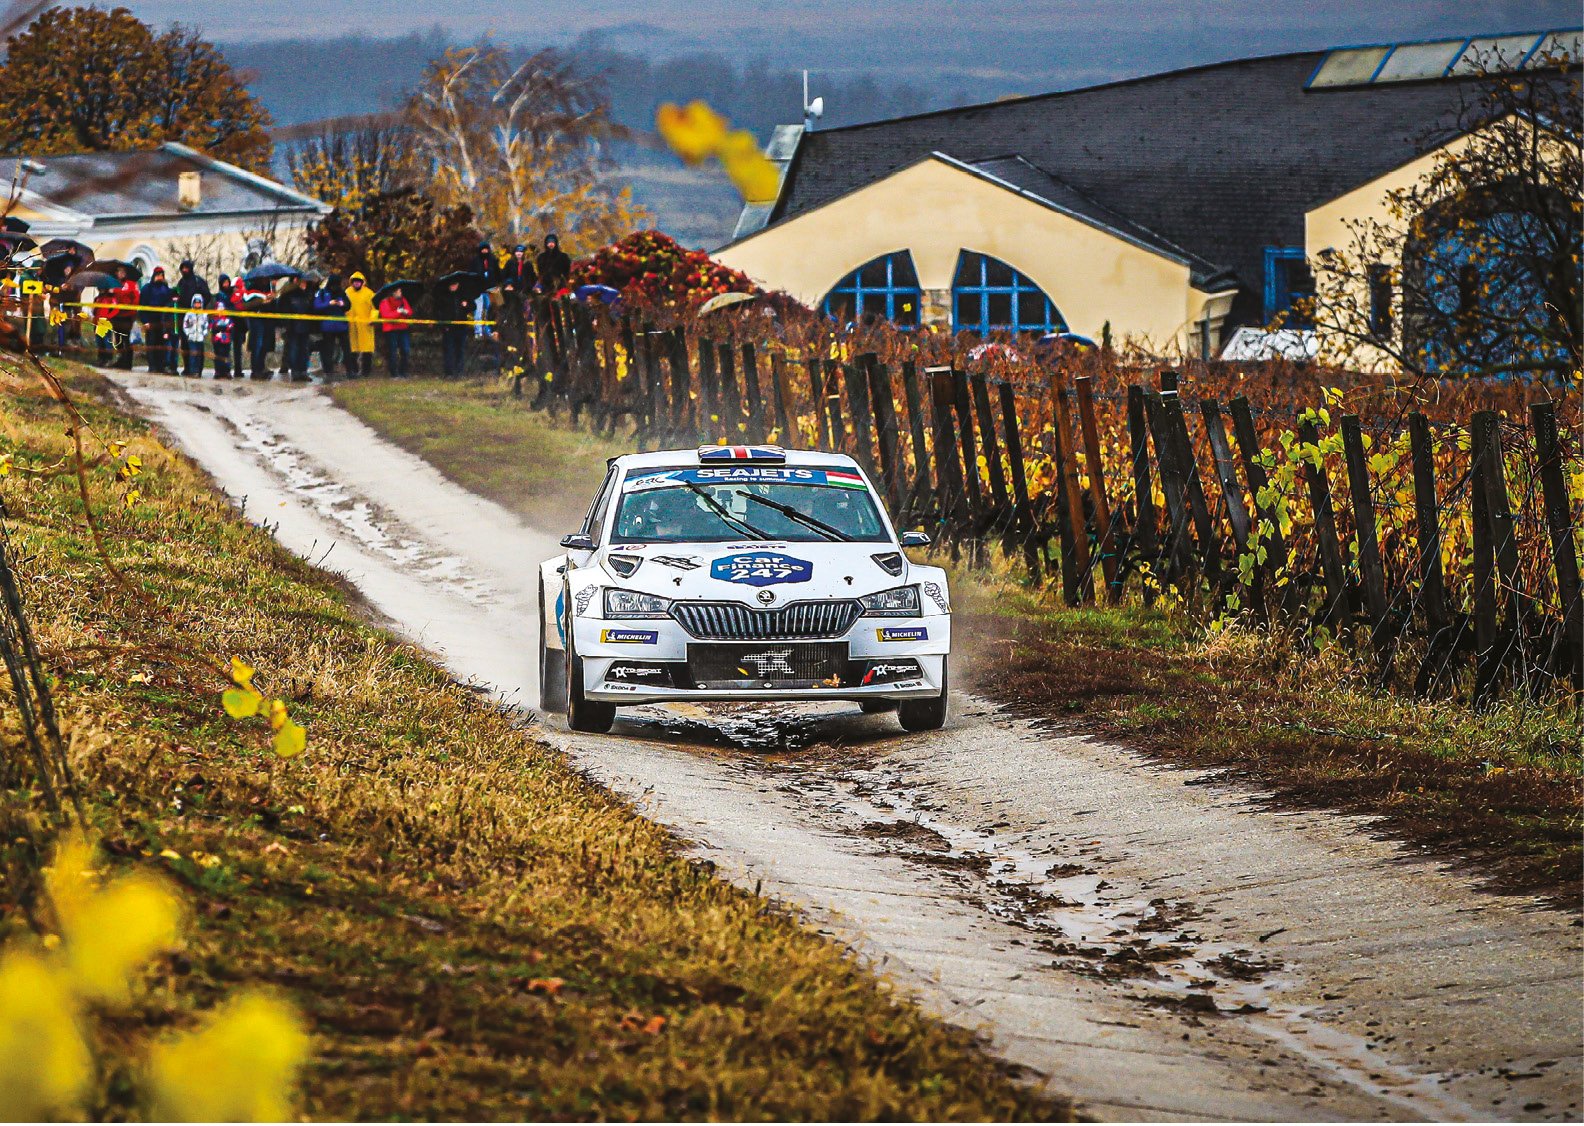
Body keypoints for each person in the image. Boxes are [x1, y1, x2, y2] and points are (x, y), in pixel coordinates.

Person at [174, 260, 211, 376]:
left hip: (198, 317)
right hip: (184, 317)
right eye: (182, 268)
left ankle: (197, 369)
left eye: (186, 268)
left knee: (198, 345)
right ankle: (187, 368)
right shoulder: (181, 283)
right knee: (185, 343)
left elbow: (207, 295)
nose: (184, 270)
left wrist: (199, 308)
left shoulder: (198, 282)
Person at [274, 277, 315, 381]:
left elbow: (310, 309)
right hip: (293, 327)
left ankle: (303, 371)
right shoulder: (287, 295)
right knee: (294, 349)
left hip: (305, 326)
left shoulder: (307, 294)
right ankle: (296, 371)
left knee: (304, 350)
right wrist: (286, 324)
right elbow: (283, 311)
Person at [313, 274, 352, 377]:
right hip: (327, 326)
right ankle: (328, 371)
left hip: (341, 325)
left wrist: (342, 304)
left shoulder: (342, 293)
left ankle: (350, 370)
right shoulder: (322, 293)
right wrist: (328, 304)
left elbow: (348, 305)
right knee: (328, 350)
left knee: (346, 349)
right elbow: (316, 306)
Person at [139, 266, 173, 372]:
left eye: (161, 276)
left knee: (161, 344)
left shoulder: (166, 289)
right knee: (151, 343)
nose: (160, 278)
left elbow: (169, 305)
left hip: (162, 321)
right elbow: (142, 306)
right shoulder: (147, 289)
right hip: (151, 320)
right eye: (158, 276)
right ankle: (152, 365)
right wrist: (145, 321)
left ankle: (160, 365)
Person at [345, 271, 377, 377]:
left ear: (362, 282)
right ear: (351, 282)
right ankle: (354, 371)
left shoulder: (369, 293)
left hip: (366, 325)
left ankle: (366, 372)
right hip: (351, 325)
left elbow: (375, 308)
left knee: (367, 350)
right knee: (352, 349)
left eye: (358, 282)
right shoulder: (347, 292)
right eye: (354, 282)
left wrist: (372, 319)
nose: (356, 284)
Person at [435, 277, 468, 378]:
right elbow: (438, 312)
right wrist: (444, 325)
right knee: (449, 350)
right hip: (449, 327)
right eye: (452, 285)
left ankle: (459, 372)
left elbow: (472, 307)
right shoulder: (443, 297)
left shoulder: (462, 295)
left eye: (456, 285)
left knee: (460, 350)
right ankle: (449, 372)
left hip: (461, 327)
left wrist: (466, 305)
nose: (454, 287)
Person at [242, 278, 275, 379]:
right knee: (257, 344)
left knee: (265, 344)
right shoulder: (251, 288)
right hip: (256, 319)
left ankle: (262, 367)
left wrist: (272, 299)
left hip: (267, 318)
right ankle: (255, 369)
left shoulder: (270, 288)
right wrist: (261, 301)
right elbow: (246, 304)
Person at [378, 285, 412, 377]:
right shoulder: (385, 302)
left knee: (405, 350)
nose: (400, 293)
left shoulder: (403, 300)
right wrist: (398, 312)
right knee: (392, 352)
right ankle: (393, 373)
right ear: (393, 292)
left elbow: (409, 311)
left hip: (403, 328)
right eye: (398, 291)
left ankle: (403, 372)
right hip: (391, 330)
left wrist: (405, 312)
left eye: (400, 291)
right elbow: (387, 316)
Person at [109, 266, 139, 369]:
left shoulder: (132, 285)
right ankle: (120, 359)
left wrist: (132, 312)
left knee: (126, 338)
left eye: (122, 271)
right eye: (118, 271)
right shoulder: (115, 285)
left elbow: (135, 299)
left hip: (127, 316)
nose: (120, 273)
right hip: (116, 315)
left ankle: (128, 362)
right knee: (118, 339)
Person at [180, 294, 208, 378]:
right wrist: (188, 333)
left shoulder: (204, 314)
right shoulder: (189, 314)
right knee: (193, 354)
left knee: (199, 355)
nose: (197, 305)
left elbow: (206, 325)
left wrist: (204, 333)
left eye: (199, 303)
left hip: (200, 338)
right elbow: (185, 325)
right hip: (191, 338)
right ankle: (192, 371)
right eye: (195, 303)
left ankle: (198, 371)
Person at [211, 296, 233, 379]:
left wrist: (225, 328)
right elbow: (212, 327)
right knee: (217, 355)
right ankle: (218, 371)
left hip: (226, 340)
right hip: (217, 340)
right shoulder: (214, 319)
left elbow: (231, 326)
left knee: (226, 355)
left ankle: (227, 371)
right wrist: (216, 328)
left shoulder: (227, 319)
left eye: (222, 308)